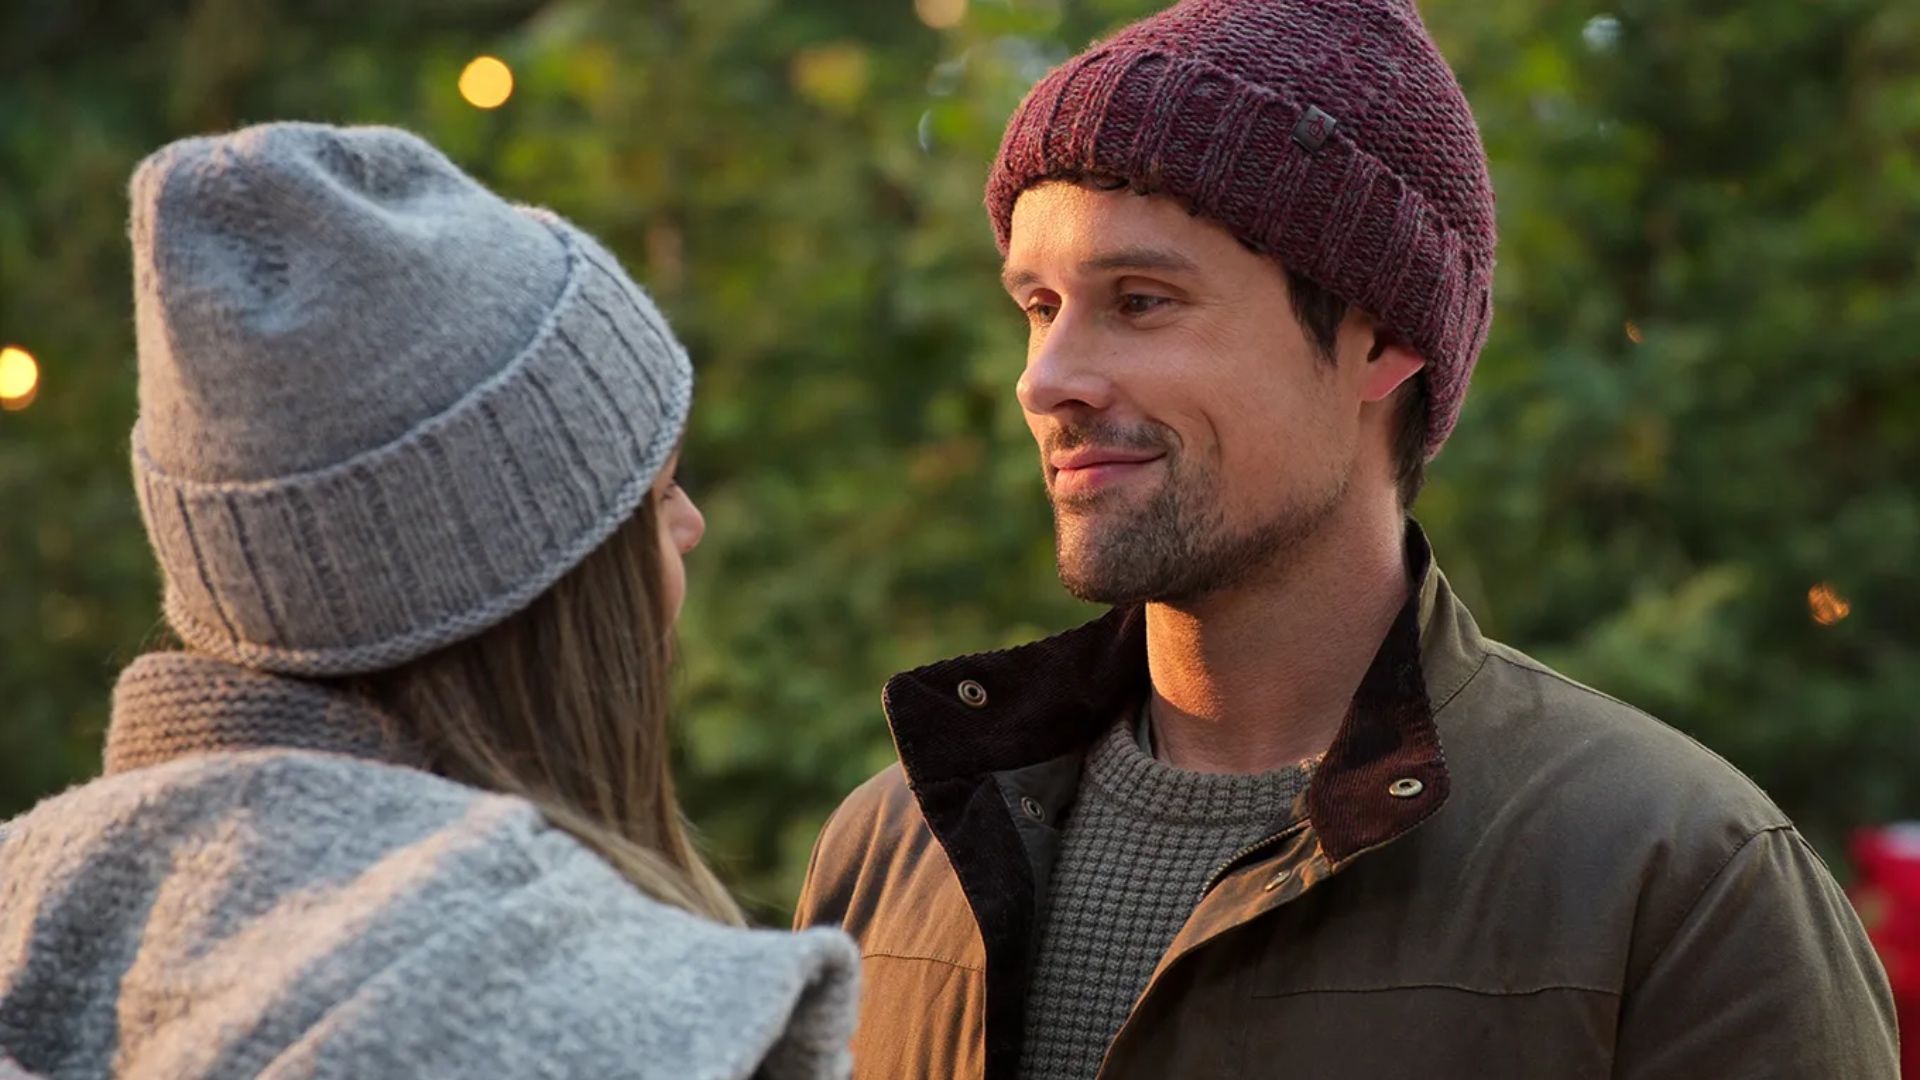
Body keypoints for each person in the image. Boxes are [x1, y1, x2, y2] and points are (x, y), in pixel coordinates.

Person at [794, 1, 1898, 1077]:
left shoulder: (1680, 882)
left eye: (1139, 300)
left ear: (1381, 344)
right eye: (1039, 306)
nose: (1049, 380)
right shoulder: (892, 851)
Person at [0, 123, 857, 1079]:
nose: (691, 523)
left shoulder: (30, 914)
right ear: (538, 586)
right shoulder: (618, 1023)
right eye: (655, 499)